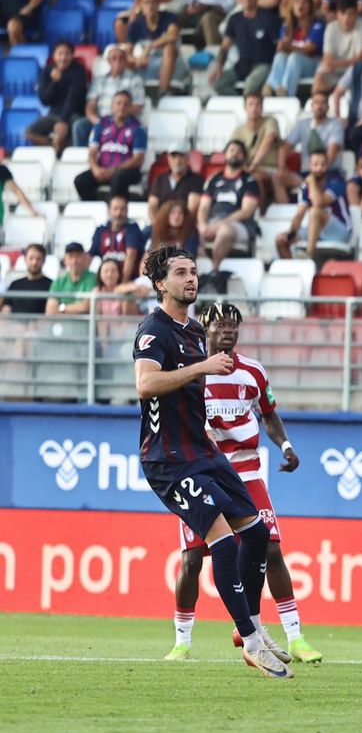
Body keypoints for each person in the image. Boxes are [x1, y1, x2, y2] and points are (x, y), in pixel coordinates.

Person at [132, 246, 292, 678]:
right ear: (161, 283)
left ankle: (254, 627)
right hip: (168, 460)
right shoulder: (155, 330)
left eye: (194, 271)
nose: (191, 278)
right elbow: (146, 384)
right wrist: (202, 366)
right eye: (181, 272)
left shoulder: (192, 333)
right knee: (220, 542)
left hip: (203, 453)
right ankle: (253, 642)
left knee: (257, 533)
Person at [166, 301, 322, 663]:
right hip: (203, 475)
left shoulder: (253, 371)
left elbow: (269, 415)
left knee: (270, 549)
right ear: (205, 329)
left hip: (248, 475)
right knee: (192, 558)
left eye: (234, 325)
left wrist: (284, 444)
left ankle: (295, 636)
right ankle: (182, 640)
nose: (228, 331)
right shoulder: (191, 372)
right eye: (220, 325)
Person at [275, 147, 351, 259]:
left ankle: (309, 256)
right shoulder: (306, 187)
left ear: (328, 166)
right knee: (280, 240)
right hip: (316, 232)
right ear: (310, 166)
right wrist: (290, 233)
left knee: (315, 212)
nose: (319, 168)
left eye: (323, 164)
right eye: (315, 164)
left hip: (340, 231)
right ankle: (295, 270)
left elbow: (319, 203)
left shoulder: (336, 181)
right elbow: (299, 216)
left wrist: (311, 181)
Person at [198, 140, 261, 263]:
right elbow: (203, 208)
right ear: (225, 154)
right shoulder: (213, 180)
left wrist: (219, 224)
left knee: (225, 231)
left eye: (239, 152)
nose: (235, 154)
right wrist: (202, 225)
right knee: (191, 232)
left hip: (240, 225)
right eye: (232, 150)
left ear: (244, 157)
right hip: (212, 222)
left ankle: (215, 272)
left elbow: (246, 211)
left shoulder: (250, 181)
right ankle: (202, 271)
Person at [90, 193, 147, 285]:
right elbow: (89, 256)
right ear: (109, 211)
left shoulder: (133, 229)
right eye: (115, 209)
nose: (119, 213)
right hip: (106, 282)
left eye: (122, 209)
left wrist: (122, 284)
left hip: (129, 282)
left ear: (127, 211)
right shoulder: (101, 230)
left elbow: (131, 255)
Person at [45, 241, 97, 314]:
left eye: (78, 256)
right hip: (62, 324)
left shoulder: (93, 278)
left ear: (85, 258)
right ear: (65, 260)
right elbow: (50, 311)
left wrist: (61, 308)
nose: (74, 261)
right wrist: (75, 309)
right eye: (71, 256)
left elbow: (86, 307)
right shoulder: (59, 281)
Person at [1, 243, 52, 314]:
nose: (34, 262)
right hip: (14, 324)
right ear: (25, 260)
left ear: (44, 261)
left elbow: (50, 314)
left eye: (38, 259)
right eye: (31, 258)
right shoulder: (15, 284)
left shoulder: (52, 285)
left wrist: (36, 325)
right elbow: (6, 309)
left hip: (41, 325)